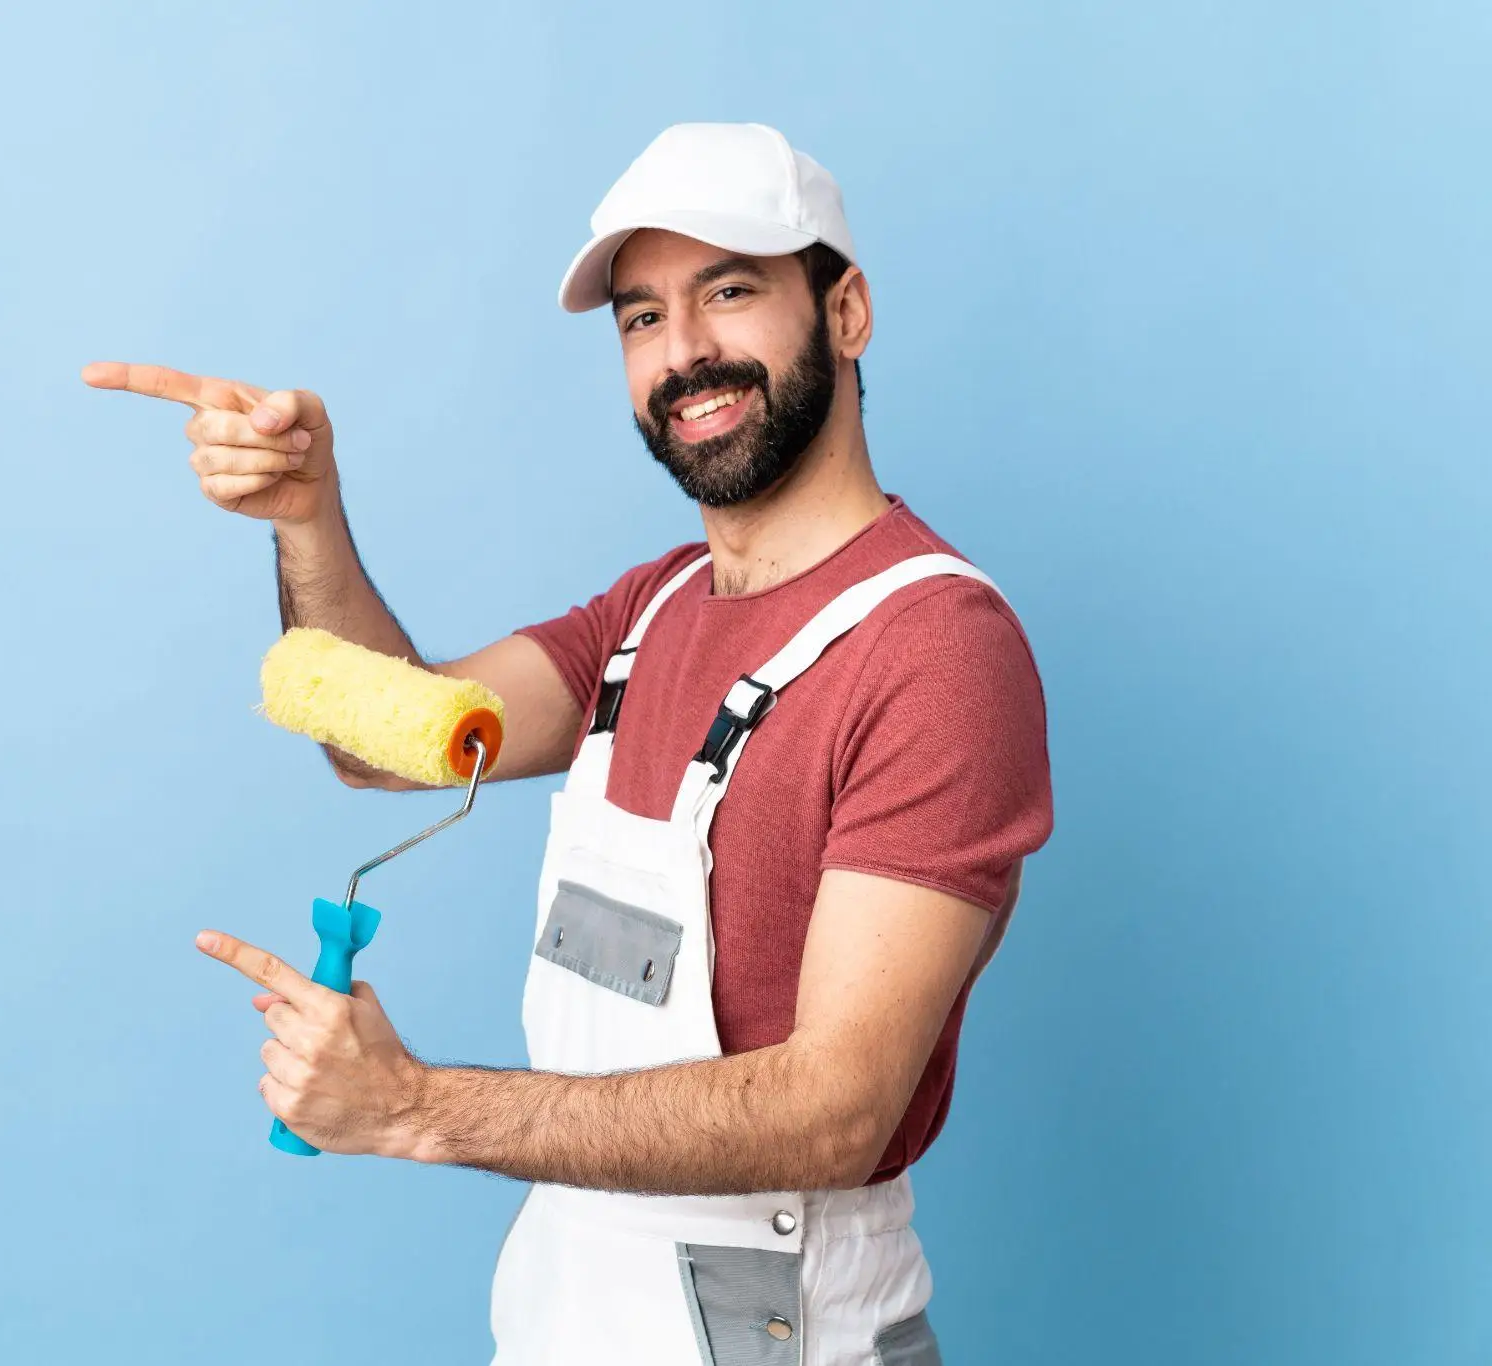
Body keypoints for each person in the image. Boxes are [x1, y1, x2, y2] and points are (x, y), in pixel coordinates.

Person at [84, 121, 1053, 1366]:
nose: (684, 350)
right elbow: (386, 746)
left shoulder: (931, 649)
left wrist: (415, 1108)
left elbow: (831, 1114)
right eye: (641, 317)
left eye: (731, 292)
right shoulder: (643, 618)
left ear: (847, 309)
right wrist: (304, 517)